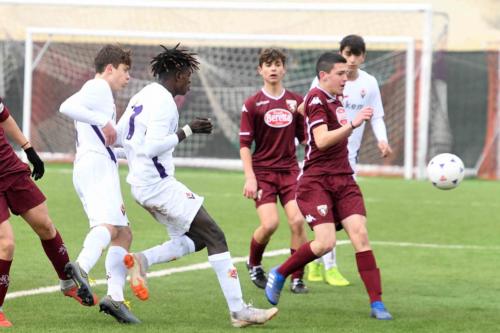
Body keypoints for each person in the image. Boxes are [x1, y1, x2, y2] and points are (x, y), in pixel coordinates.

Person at [115, 44, 278, 328]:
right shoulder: (164, 102)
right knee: (216, 235)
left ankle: (142, 259)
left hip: (142, 185)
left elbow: (121, 137)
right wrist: (188, 130)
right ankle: (239, 311)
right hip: (158, 186)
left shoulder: (142, 95)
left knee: (197, 239)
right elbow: (152, 147)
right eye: (188, 76)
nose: (190, 81)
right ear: (177, 74)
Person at [265, 52, 393, 320]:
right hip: (316, 182)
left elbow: (302, 111)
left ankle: (377, 304)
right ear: (324, 76)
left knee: (360, 235)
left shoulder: (334, 98)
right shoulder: (316, 96)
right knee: (325, 243)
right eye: (341, 74)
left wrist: (300, 111)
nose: (346, 78)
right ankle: (280, 272)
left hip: (344, 179)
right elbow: (321, 141)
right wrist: (353, 124)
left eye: (347, 74)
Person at [59, 44, 139, 323]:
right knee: (107, 226)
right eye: (125, 70)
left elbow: (103, 139)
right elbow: (65, 106)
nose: (127, 77)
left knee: (123, 233)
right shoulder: (99, 87)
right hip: (95, 167)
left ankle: (115, 298)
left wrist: (127, 150)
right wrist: (104, 121)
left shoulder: (100, 94)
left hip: (98, 164)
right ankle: (80, 267)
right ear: (109, 69)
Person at [304, 35, 393, 287]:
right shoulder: (325, 81)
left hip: (347, 163)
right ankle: (327, 267)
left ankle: (317, 263)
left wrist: (382, 140)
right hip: (322, 161)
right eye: (347, 54)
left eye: (357, 55)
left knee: (346, 223)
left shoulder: (370, 83)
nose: (352, 60)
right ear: (341, 54)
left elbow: (376, 116)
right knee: (326, 218)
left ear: (363, 57)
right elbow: (307, 111)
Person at [0, 97, 93, 327]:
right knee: (6, 244)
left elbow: (4, 117)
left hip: (10, 168)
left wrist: (28, 148)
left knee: (45, 225)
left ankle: (67, 283)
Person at [239, 48, 308, 294]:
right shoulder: (252, 104)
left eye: (277, 64)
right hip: (264, 174)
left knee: (298, 221)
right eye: (268, 65)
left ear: (284, 69)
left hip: (290, 172)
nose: (273, 69)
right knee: (270, 225)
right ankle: (254, 262)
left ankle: (297, 277)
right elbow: (245, 145)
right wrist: (250, 177)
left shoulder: (296, 102)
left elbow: (305, 139)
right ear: (260, 70)